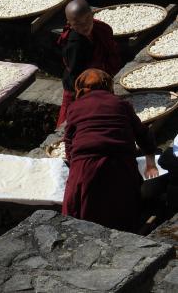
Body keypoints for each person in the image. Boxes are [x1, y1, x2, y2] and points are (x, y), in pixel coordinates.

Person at [62, 68, 159, 232]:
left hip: (85, 166)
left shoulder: (74, 108)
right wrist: (151, 162)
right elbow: (142, 134)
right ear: (107, 85)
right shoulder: (121, 104)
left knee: (83, 210)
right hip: (120, 164)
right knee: (121, 207)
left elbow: (69, 141)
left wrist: (75, 166)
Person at [56, 0, 121, 127]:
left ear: (92, 15)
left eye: (86, 19)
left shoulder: (98, 29)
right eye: (78, 23)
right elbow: (76, 74)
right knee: (74, 119)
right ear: (70, 23)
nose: (84, 25)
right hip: (78, 86)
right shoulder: (75, 44)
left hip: (97, 79)